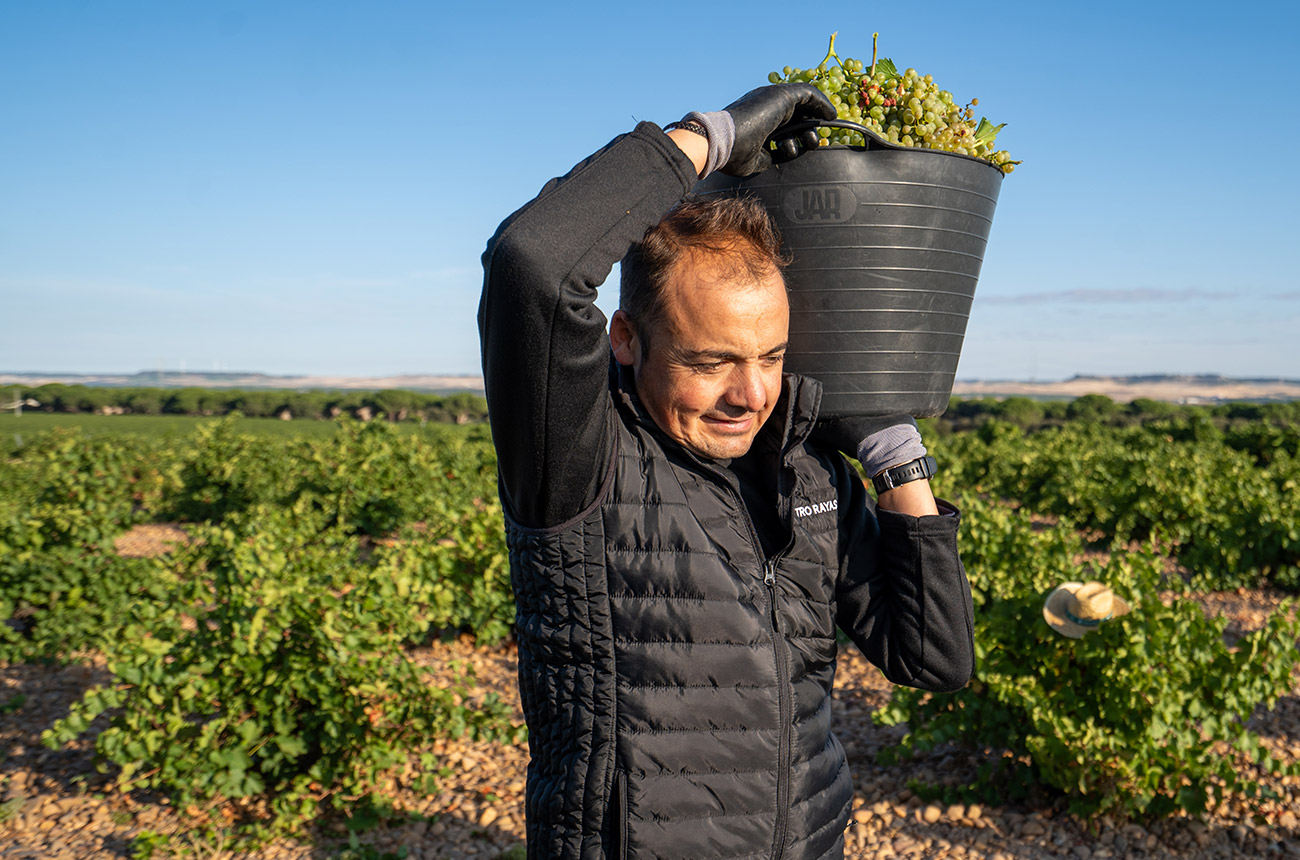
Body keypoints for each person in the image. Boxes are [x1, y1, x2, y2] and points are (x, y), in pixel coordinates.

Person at [479, 84, 975, 860]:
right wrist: (707, 138)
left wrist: (893, 454)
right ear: (624, 340)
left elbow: (933, 657)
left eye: (770, 357)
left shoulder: (804, 474)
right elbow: (533, 264)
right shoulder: (580, 456)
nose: (749, 395)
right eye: (710, 362)